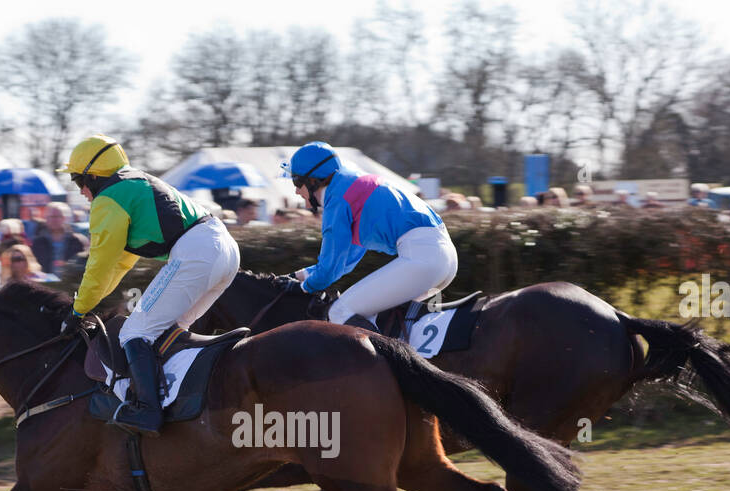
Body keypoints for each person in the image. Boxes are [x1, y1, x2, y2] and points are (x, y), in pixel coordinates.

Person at [59, 134, 240, 437]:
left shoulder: (108, 199)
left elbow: (100, 264)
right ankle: (182, 403)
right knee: (166, 332)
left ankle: (147, 412)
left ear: (93, 176)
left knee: (135, 331)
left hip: (198, 252)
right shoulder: (133, 184)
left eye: (79, 182)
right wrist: (89, 303)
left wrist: (79, 310)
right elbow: (120, 264)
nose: (81, 193)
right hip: (225, 250)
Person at [283, 141, 457, 332]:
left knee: (340, 312)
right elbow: (344, 261)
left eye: (297, 182)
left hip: (423, 260)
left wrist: (304, 288)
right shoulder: (352, 184)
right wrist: (298, 276)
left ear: (313, 180)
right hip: (443, 257)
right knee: (376, 317)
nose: (296, 191)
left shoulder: (336, 199)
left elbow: (329, 270)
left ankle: (383, 362)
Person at [29, 202, 86, 278]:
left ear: (64, 218)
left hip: (70, 284)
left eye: (57, 216)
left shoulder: (77, 240)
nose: (54, 220)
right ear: (46, 218)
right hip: (45, 284)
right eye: (51, 216)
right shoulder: (37, 242)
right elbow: (32, 264)